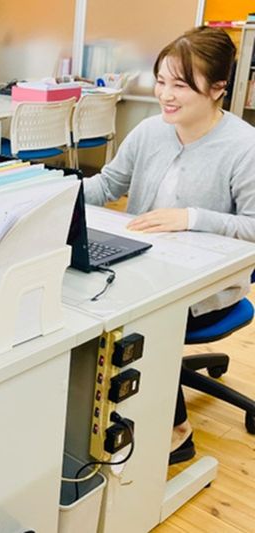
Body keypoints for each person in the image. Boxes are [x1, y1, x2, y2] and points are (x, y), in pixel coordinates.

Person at [83, 26, 255, 465]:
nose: (165, 95)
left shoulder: (244, 146)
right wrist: (47, 191)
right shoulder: (150, 131)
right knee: (83, 300)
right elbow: (107, 186)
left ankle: (178, 431)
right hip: (141, 266)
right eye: (161, 81)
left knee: (140, 315)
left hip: (207, 287)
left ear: (218, 88)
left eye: (180, 85)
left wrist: (191, 218)